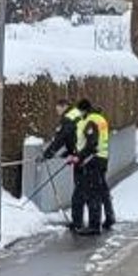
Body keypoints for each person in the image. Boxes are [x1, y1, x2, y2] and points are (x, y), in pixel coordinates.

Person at [39, 97, 86, 231]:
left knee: (79, 191)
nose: (57, 110)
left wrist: (47, 154)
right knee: (87, 189)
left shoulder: (68, 117)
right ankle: (90, 220)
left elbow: (61, 138)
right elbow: (75, 136)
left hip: (81, 158)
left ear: (64, 106)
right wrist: (68, 152)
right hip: (84, 155)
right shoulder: (77, 113)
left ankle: (78, 223)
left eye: (58, 107)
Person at [74, 97, 115, 235]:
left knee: (93, 193)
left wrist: (79, 157)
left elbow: (92, 143)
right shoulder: (100, 118)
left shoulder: (90, 121)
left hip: (93, 160)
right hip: (102, 158)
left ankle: (94, 226)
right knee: (102, 189)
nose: (79, 114)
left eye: (79, 111)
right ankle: (110, 217)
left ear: (83, 110)